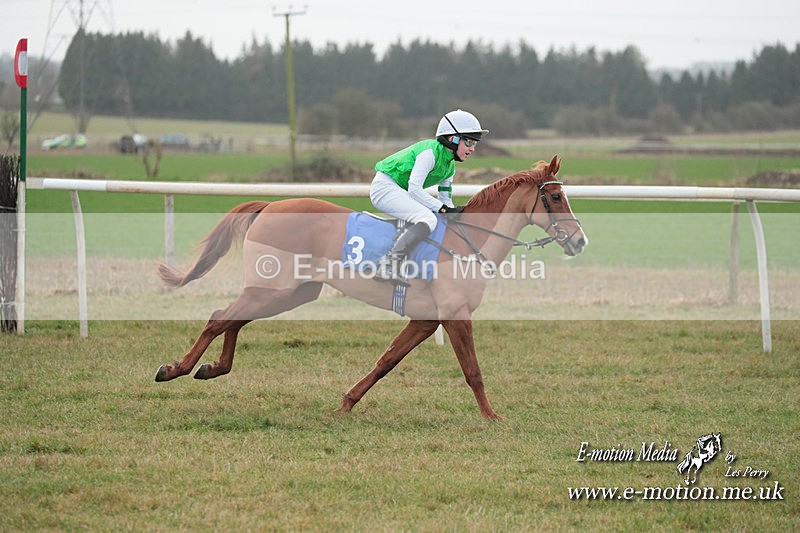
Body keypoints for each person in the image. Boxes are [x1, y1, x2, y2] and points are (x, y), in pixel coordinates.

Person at [370, 109, 488, 286]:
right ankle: (389, 265)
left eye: (475, 143)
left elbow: (445, 199)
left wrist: (454, 213)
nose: (472, 148)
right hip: (385, 188)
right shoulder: (429, 153)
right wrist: (443, 209)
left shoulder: (449, 167)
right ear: (453, 139)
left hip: (399, 190)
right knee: (428, 218)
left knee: (438, 218)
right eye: (469, 141)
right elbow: (414, 189)